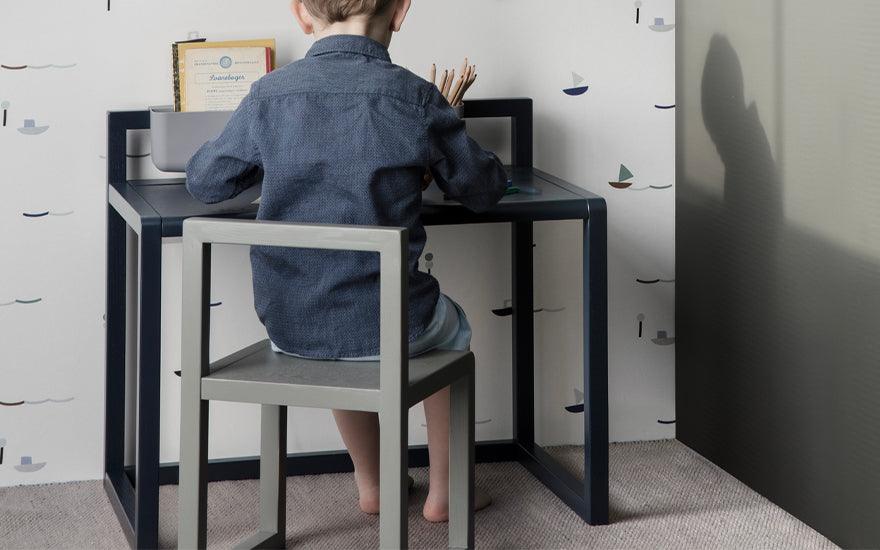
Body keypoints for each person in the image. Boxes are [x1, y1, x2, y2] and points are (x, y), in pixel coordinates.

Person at [185, 0, 507, 522]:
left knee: (340, 315)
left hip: (292, 326)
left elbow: (205, 182)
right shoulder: (416, 98)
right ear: (401, 12)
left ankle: (375, 482)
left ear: (301, 15)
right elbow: (483, 190)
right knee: (448, 330)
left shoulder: (269, 95)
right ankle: (449, 492)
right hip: (389, 325)